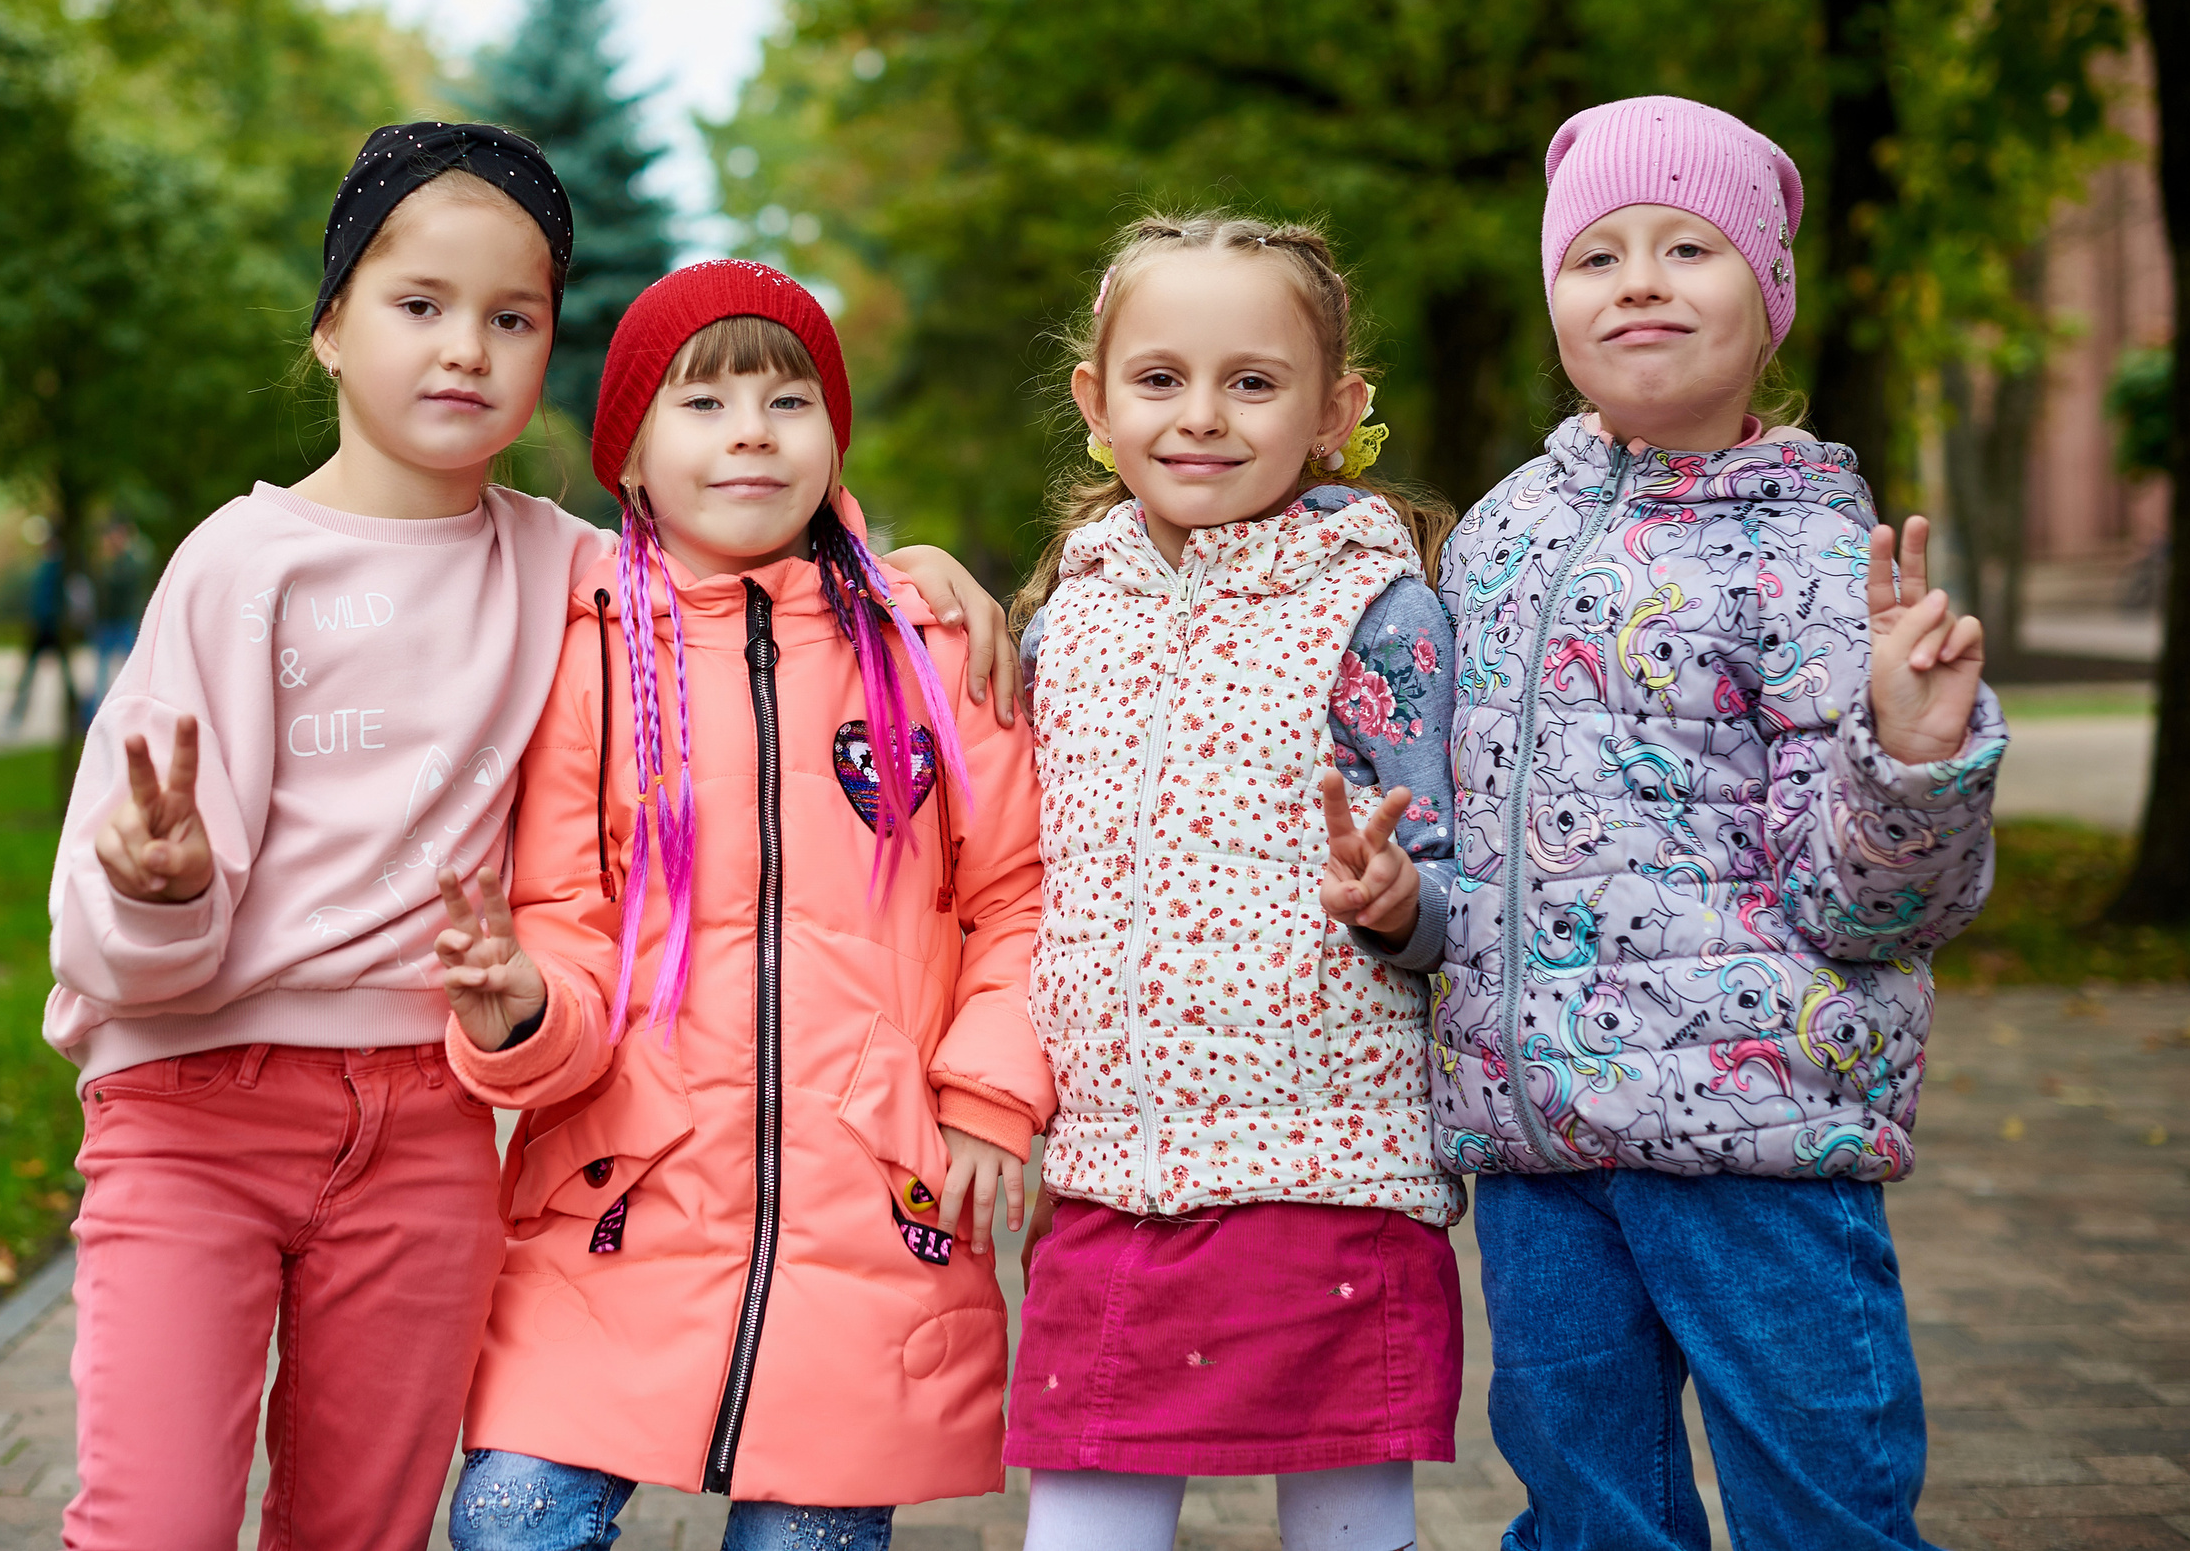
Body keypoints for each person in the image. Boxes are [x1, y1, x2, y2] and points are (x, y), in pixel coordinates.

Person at [43, 126, 1021, 1551]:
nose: (464, 349)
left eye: (512, 319)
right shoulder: (240, 563)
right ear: (328, 328)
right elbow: (108, 934)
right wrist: (158, 886)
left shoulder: (571, 571)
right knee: (155, 1523)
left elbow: (737, 565)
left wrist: (899, 576)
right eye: (418, 305)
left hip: (425, 1120)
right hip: (200, 1094)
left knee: (359, 1527)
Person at [1432, 95, 2007, 1549]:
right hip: (1540, 1144)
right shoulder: (1498, 529)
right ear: (1555, 302)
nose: (1638, 278)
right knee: (1586, 1508)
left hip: (1758, 1143)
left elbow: (1871, 907)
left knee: (1821, 1502)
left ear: (1770, 304)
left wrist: (1911, 753)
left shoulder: (1818, 554)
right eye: (1596, 254)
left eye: (1688, 246)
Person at [430, 260, 1054, 1551]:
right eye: (704, 403)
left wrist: (987, 1092)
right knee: (512, 1515)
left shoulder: (931, 647)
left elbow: (1018, 897)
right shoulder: (587, 649)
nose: (754, 431)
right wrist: (522, 1007)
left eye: (789, 399)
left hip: (870, 1208)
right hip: (621, 1198)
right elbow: (563, 911)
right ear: (634, 454)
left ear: (834, 437)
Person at [1005, 213, 1465, 1551]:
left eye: (1252, 381)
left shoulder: (1381, 605)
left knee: (1349, 1528)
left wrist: (1396, 901)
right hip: (1109, 1179)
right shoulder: (1066, 613)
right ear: (1096, 401)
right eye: (1160, 378)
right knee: (1082, 1526)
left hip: (1331, 1174)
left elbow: (1440, 880)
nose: (1201, 416)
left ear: (1336, 408)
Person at [84, 518, 150, 723]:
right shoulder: (104, 562)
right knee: (101, 670)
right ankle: (96, 712)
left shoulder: (128, 561)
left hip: (122, 621)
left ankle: (137, 704)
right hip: (106, 622)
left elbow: (126, 585)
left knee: (132, 665)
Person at [3, 535, 70, 733]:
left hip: (51, 626)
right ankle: (16, 716)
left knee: (39, 675)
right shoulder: (47, 565)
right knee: (29, 675)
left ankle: (75, 716)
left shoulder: (57, 567)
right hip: (43, 626)